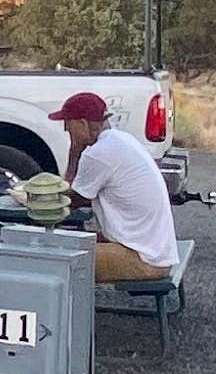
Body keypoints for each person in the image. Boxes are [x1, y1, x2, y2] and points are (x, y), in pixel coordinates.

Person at [50, 91, 176, 281]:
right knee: (73, 240)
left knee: (51, 257)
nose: (67, 131)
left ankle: (58, 309)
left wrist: (74, 152)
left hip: (143, 259)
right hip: (156, 251)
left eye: (68, 124)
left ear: (82, 124)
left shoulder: (99, 154)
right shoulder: (122, 140)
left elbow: (67, 202)